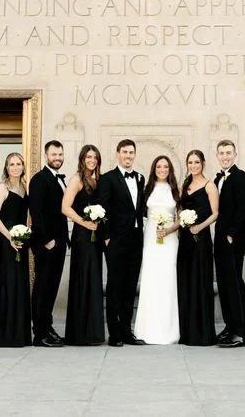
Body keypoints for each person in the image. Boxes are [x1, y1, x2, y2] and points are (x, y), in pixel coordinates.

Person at [96, 139, 147, 347]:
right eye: (125, 152)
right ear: (117, 153)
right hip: (116, 240)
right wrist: (107, 236)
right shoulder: (107, 179)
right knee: (115, 286)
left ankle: (127, 331)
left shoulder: (140, 178)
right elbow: (102, 208)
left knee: (130, 285)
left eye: (131, 152)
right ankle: (114, 333)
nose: (128, 156)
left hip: (136, 239)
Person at [133, 155, 181, 345]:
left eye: (166, 167)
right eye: (159, 166)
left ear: (170, 170)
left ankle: (168, 331)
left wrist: (168, 230)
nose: (162, 169)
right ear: (154, 169)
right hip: (151, 238)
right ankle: (147, 329)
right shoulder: (147, 189)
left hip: (169, 240)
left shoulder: (176, 190)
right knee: (151, 280)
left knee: (167, 281)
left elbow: (180, 218)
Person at [61, 144, 106, 346]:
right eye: (88, 156)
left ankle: (93, 332)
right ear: (82, 158)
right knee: (83, 278)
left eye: (95, 157)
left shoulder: (97, 181)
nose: (92, 160)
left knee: (93, 279)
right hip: (82, 235)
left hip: (95, 238)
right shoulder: (76, 179)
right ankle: (79, 333)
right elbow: (65, 207)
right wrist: (84, 222)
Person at [177, 150, 219, 346]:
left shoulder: (210, 186)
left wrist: (200, 227)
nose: (193, 166)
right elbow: (179, 211)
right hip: (185, 240)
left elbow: (215, 213)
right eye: (190, 162)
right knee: (186, 283)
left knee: (200, 282)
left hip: (201, 239)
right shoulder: (184, 186)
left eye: (196, 162)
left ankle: (202, 333)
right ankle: (188, 332)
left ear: (203, 163)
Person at [213, 140, 245, 349]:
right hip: (220, 238)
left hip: (233, 238)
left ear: (235, 155)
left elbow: (243, 208)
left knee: (235, 284)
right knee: (225, 283)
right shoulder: (218, 178)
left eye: (228, 153)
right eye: (221, 153)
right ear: (217, 155)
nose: (225, 156)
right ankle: (229, 327)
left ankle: (239, 333)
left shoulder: (240, 177)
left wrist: (231, 233)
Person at [29, 140, 69, 347]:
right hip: (47, 244)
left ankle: (48, 326)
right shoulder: (39, 179)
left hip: (60, 243)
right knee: (43, 287)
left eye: (60, 154)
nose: (58, 158)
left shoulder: (60, 179)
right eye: (54, 154)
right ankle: (40, 333)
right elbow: (36, 213)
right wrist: (47, 240)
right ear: (46, 156)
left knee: (51, 287)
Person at [0, 152, 32, 347]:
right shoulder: (2, 188)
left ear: (23, 167)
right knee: (8, 284)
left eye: (18, 164)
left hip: (21, 242)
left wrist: (24, 233)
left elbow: (24, 216)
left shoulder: (24, 187)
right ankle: (7, 335)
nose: (15, 167)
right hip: (7, 243)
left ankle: (20, 334)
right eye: (11, 164)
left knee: (20, 284)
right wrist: (10, 238)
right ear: (6, 168)